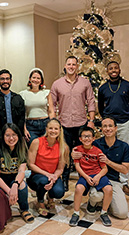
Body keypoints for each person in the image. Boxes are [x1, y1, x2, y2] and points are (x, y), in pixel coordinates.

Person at [50, 56, 96, 191]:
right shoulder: (57, 84)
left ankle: (85, 181)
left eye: (73, 64)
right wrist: (54, 121)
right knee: (65, 154)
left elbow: (91, 101)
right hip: (64, 125)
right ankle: (64, 179)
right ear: (65, 66)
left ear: (77, 67)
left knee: (84, 153)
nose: (71, 66)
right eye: (69, 64)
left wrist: (91, 121)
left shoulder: (85, 83)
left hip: (82, 124)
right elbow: (52, 105)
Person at [72, 117, 129, 220]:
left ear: (116, 128)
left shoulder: (123, 146)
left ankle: (106, 204)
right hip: (95, 178)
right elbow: (81, 147)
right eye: (105, 126)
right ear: (101, 129)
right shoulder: (95, 143)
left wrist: (108, 162)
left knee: (122, 214)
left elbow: (125, 170)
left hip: (113, 180)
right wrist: (73, 152)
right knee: (96, 195)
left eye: (110, 126)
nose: (108, 129)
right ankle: (93, 203)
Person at [98, 60, 129, 196]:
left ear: (119, 69)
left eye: (116, 68)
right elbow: (100, 107)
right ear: (107, 71)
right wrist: (106, 120)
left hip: (124, 122)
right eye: (110, 68)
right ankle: (109, 179)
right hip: (109, 123)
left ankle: (124, 183)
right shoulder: (103, 88)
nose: (113, 70)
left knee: (124, 151)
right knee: (108, 151)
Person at [0, 123, 34, 223]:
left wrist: (15, 185)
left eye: (14, 135)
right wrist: (9, 192)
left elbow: (21, 171)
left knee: (22, 185)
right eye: (7, 135)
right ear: (3, 137)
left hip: (13, 181)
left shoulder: (21, 149)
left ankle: (24, 209)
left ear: (18, 136)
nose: (11, 138)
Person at [70, 126, 112, 227]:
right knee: (79, 188)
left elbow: (105, 169)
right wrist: (86, 177)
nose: (87, 139)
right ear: (80, 139)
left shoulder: (98, 151)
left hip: (97, 174)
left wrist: (97, 177)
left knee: (109, 189)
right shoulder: (77, 150)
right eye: (84, 136)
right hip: (85, 175)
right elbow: (77, 166)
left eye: (89, 136)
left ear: (93, 138)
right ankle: (76, 213)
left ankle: (104, 212)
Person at [27, 118, 68, 216]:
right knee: (44, 181)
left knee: (59, 192)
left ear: (59, 130)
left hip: (52, 176)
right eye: (50, 128)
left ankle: (50, 197)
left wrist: (53, 178)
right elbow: (31, 164)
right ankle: (40, 203)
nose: (53, 131)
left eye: (56, 129)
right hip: (36, 176)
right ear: (46, 129)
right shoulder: (37, 142)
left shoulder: (63, 147)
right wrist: (47, 175)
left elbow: (60, 168)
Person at [19, 68, 55, 145]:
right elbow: (21, 114)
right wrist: (24, 129)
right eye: (34, 77)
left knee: (46, 147)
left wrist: (53, 126)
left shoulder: (46, 92)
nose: (36, 80)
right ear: (30, 79)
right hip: (30, 126)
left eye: (38, 78)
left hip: (45, 123)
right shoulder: (23, 94)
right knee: (33, 148)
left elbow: (51, 111)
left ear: (41, 80)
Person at [0, 69, 25, 146]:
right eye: (2, 79)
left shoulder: (18, 98)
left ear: (11, 81)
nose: (5, 81)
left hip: (16, 138)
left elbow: (22, 117)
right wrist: (1, 135)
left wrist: (16, 133)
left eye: (7, 79)